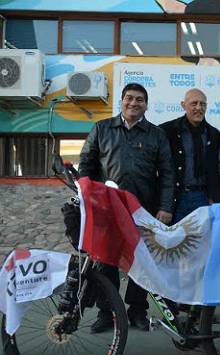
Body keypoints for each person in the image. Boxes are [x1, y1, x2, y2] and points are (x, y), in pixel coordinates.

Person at [79, 83, 175, 332]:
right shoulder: (101, 129)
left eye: (140, 100)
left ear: (146, 104)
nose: (134, 103)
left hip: (142, 211)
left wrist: (165, 207)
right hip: (107, 211)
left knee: (141, 261)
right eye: (129, 98)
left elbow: (167, 174)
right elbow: (86, 167)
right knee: (105, 261)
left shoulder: (156, 134)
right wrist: (86, 199)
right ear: (121, 101)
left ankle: (137, 311)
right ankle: (107, 312)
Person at [160, 88, 220, 223]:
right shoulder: (166, 131)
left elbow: (218, 170)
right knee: (174, 241)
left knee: (204, 242)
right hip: (176, 198)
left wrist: (215, 199)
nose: (198, 108)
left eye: (202, 104)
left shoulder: (215, 135)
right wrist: (164, 204)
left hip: (204, 198)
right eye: (194, 103)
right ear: (183, 105)